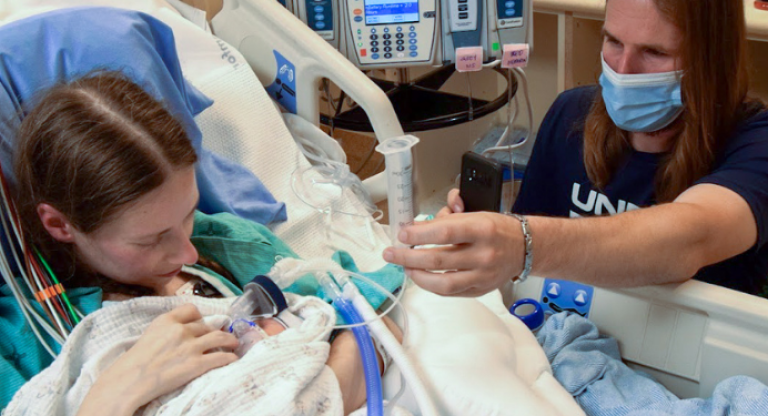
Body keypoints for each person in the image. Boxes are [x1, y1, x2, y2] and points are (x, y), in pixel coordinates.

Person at [12, 71, 392, 416]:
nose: (188, 253)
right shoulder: (23, 336)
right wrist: (112, 396)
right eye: (152, 239)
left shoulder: (228, 242)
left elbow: (367, 321)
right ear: (60, 224)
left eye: (188, 214)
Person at [383, 0, 768, 297]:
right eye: (613, 41)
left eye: (655, 53)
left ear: (710, 62)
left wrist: (520, 244)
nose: (623, 69)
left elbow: (690, 238)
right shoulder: (572, 113)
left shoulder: (755, 141)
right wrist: (485, 240)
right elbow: (531, 239)